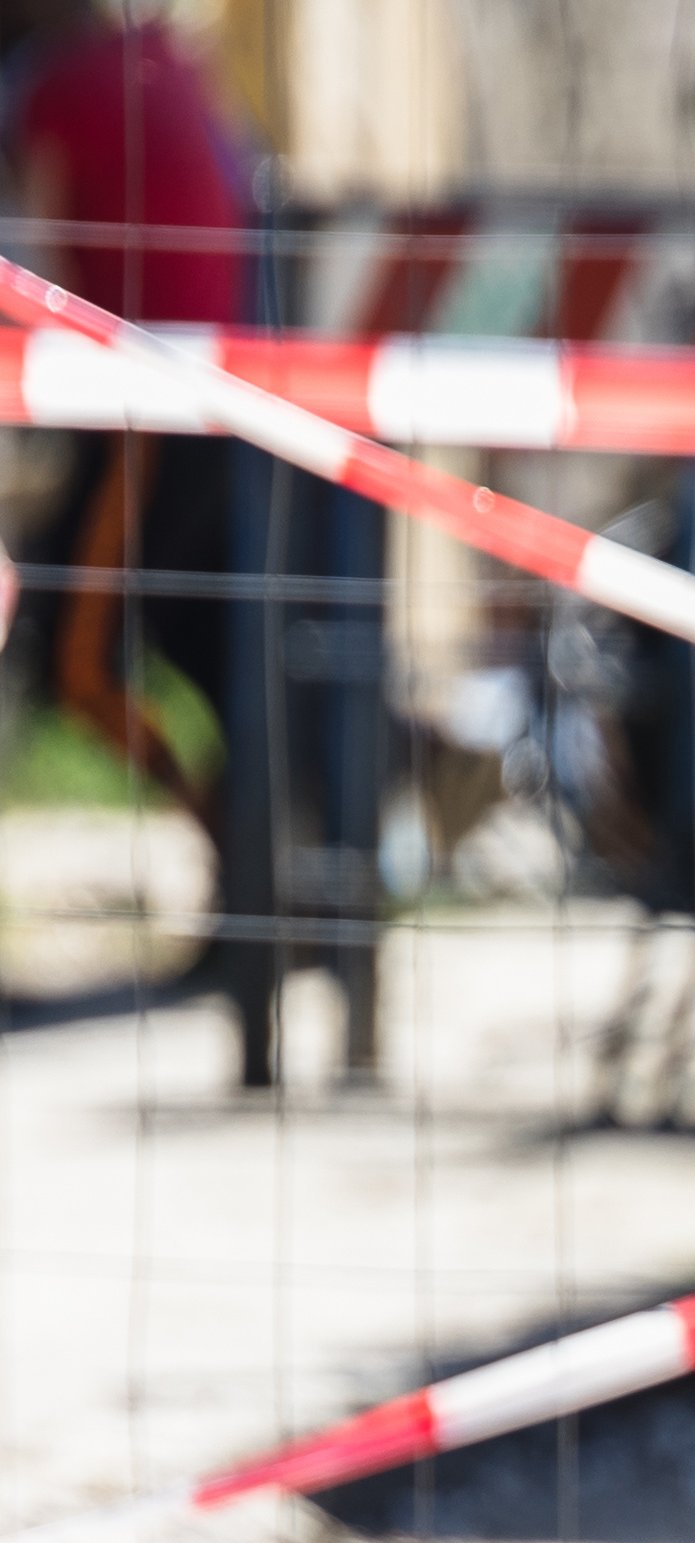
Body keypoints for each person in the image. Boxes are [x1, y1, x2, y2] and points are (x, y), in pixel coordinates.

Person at [0, 0, 291, 1078]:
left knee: (80, 661)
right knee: (204, 654)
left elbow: (34, 262)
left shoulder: (51, 87)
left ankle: (245, 865)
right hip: (220, 396)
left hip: (145, 409)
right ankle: (256, 873)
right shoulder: (166, 56)